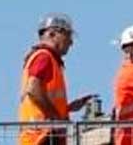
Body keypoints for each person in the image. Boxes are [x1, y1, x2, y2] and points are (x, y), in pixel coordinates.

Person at [18, 13, 96, 145]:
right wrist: (56, 118)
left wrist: (67, 108)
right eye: (67, 36)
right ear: (53, 34)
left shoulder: (48, 59)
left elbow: (43, 95)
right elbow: (33, 89)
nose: (70, 42)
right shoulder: (44, 57)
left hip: (42, 136)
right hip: (42, 136)